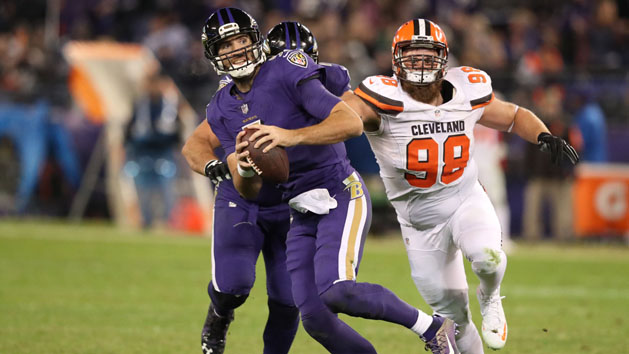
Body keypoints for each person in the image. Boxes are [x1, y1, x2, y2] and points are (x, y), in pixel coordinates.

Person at [204, 7, 460, 354]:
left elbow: (350, 123)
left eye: (241, 40)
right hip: (298, 208)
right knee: (314, 318)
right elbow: (248, 188)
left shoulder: (285, 69)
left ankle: (433, 327)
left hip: (339, 194)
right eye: (225, 45)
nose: (235, 50)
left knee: (338, 290)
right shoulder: (220, 108)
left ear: (257, 41)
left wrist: (288, 136)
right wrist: (245, 167)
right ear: (212, 55)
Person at [342, 19, 579, 353]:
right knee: (454, 320)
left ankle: (491, 295)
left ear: (444, 58)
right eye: (414, 56)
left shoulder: (466, 89)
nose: (422, 64)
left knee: (489, 259)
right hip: (420, 223)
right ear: (396, 59)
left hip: (465, 198)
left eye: (429, 55)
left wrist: (542, 134)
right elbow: (342, 115)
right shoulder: (381, 97)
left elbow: (512, 115)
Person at [182, 18, 358, 354]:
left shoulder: (311, 77)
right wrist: (231, 166)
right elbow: (197, 145)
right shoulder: (229, 102)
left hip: (293, 198)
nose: (298, 64)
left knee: (287, 299)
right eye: (227, 46)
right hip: (247, 197)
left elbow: (354, 115)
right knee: (234, 286)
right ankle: (219, 313)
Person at [124, 70, 181, 228]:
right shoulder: (139, 104)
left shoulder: (171, 105)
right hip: (142, 153)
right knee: (143, 191)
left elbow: (176, 133)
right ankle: (145, 220)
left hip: (163, 152)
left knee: (166, 191)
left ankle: (167, 222)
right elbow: (129, 129)